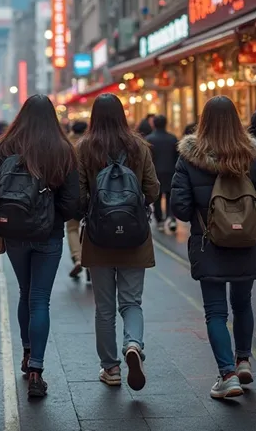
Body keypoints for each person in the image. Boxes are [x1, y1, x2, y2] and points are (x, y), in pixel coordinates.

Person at [0, 95, 80, 398]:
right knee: (40, 299)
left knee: (25, 293)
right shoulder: (62, 150)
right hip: (48, 235)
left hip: (14, 233)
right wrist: (52, 217)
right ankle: (36, 368)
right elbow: (73, 202)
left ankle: (26, 354)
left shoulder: (3, 147)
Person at [171, 96, 256, 400]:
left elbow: (180, 207)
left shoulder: (189, 157)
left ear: (203, 120)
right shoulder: (251, 154)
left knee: (216, 312)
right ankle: (244, 358)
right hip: (248, 241)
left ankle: (227, 375)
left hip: (209, 242)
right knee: (243, 302)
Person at [77, 94, 159, 391]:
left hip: (99, 239)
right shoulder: (138, 146)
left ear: (94, 117)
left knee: (104, 308)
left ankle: (110, 368)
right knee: (131, 301)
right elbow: (152, 189)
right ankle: (133, 344)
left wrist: (93, 209)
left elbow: (79, 195)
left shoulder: (84, 148)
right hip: (135, 238)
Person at [147, 115, 178, 232]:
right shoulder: (173, 138)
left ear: (154, 124)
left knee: (157, 197)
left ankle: (159, 220)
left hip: (155, 172)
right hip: (171, 171)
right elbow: (177, 157)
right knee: (171, 196)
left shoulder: (149, 139)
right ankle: (172, 218)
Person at [67, 121, 88, 278]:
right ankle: (90, 261)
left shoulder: (67, 144)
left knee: (72, 228)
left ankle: (78, 258)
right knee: (90, 227)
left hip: (73, 192)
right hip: (92, 192)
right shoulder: (91, 144)